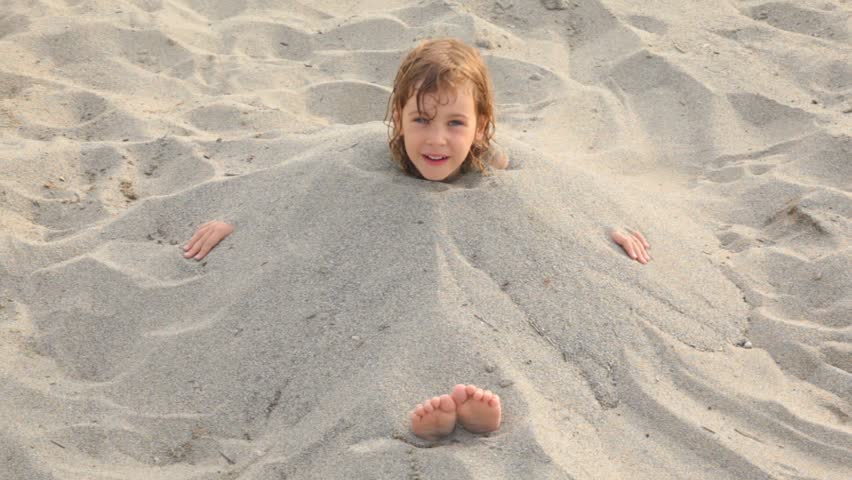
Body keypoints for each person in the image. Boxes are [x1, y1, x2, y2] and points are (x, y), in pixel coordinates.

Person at [181, 38, 651, 440]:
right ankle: (431, 420)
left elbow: (550, 187)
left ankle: (471, 413)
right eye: (421, 120)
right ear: (398, 118)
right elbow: (305, 182)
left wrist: (601, 223)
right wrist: (238, 218)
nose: (437, 140)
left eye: (455, 123)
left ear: (481, 126)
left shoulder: (490, 159)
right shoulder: (371, 157)